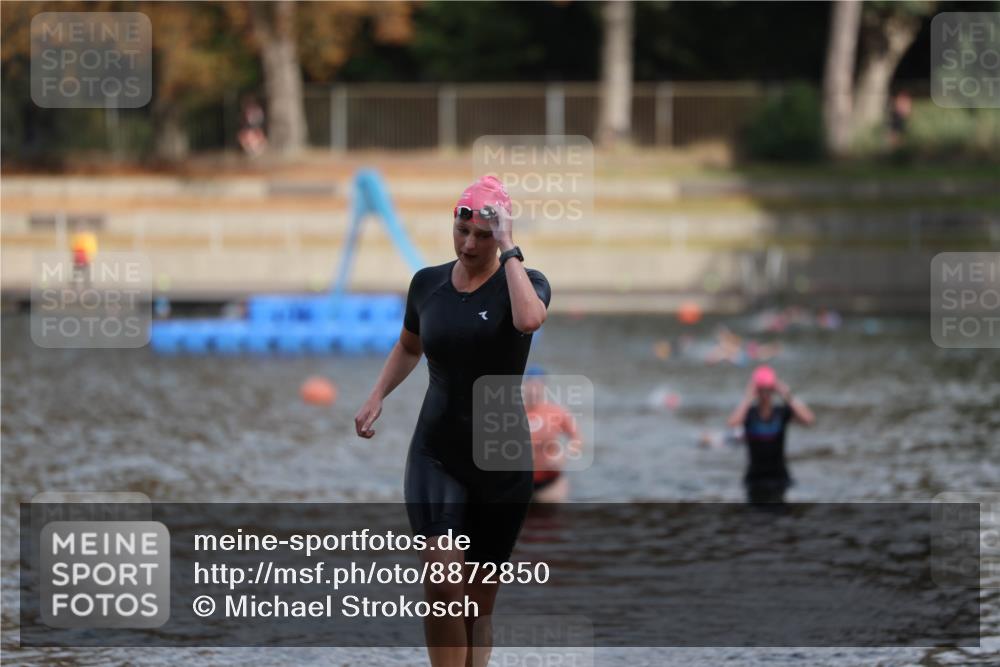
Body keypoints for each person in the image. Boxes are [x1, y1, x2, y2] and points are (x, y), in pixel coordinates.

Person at [354, 175, 550, 667]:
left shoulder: (527, 282)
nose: (468, 245)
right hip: (436, 453)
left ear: (499, 236)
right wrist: (377, 394)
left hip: (500, 462)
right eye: (462, 231)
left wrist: (509, 247)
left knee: (477, 605)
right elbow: (409, 346)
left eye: (483, 236)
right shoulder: (427, 284)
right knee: (443, 582)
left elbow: (529, 320)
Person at [727, 365, 815, 505]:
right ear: (756, 391)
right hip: (755, 479)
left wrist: (787, 395)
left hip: (780, 478)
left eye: (768, 389)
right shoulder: (750, 414)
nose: (765, 394)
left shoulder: (781, 413)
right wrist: (747, 398)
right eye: (761, 390)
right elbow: (732, 423)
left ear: (773, 390)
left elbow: (808, 420)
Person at [522, 366, 583, 503]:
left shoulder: (557, 412)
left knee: (552, 513)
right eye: (531, 385)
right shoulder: (514, 413)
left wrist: (564, 455)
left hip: (549, 482)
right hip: (520, 482)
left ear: (544, 387)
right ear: (524, 386)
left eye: (538, 385)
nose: (534, 390)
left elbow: (577, 439)